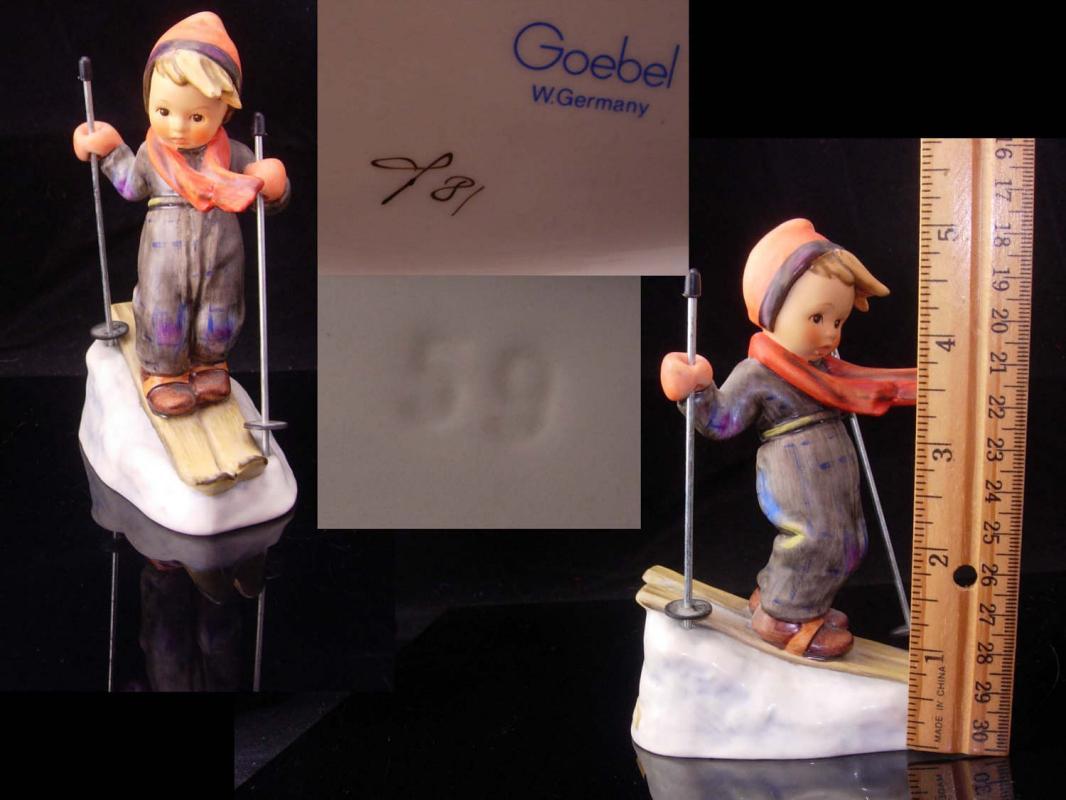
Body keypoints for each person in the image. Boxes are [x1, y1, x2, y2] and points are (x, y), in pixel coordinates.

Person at [661, 219, 916, 658]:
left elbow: (859, 390)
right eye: (817, 318)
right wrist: (695, 391)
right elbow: (721, 421)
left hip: (831, 469)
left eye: (838, 320)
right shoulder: (758, 373)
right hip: (795, 468)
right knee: (816, 539)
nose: (831, 333)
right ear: (772, 311)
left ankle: (789, 598)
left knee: (850, 541)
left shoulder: (825, 371)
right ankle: (782, 616)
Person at [73, 12, 288, 416]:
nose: (177, 127)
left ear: (225, 112)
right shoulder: (150, 156)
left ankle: (210, 363)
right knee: (162, 310)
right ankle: (163, 372)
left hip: (222, 253)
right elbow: (130, 186)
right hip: (163, 254)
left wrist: (273, 183)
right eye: (163, 111)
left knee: (220, 312)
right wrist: (109, 149)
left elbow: (263, 196)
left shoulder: (235, 156)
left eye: (197, 117)